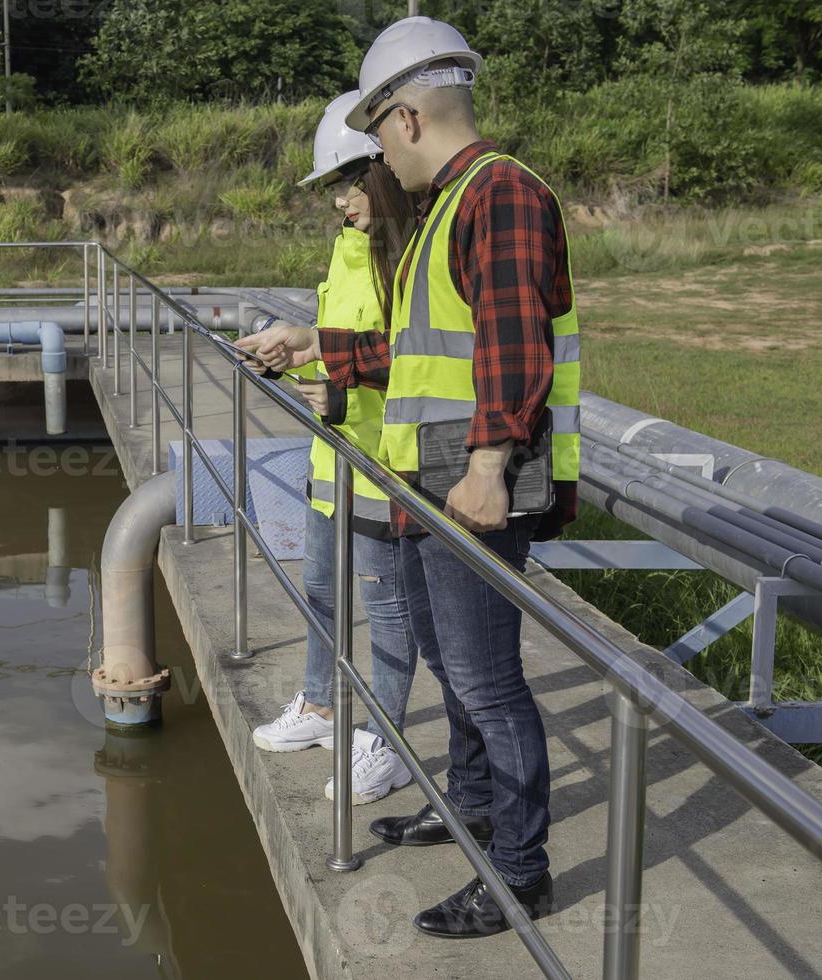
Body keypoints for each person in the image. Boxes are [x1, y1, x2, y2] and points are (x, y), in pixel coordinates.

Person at [237, 16, 582, 940]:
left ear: (409, 117)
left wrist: (485, 468)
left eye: (377, 130)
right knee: (448, 660)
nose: (376, 156)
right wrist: (323, 346)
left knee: (487, 679)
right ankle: (470, 808)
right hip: (423, 481)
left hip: (465, 484)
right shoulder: (451, 207)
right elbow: (425, 348)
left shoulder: (497, 195)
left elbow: (514, 343)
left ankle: (517, 874)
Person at [246, 91, 425, 806]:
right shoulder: (349, 250)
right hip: (333, 452)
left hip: (386, 457)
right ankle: (319, 706)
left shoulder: (411, 256)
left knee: (385, 607)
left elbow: (417, 356)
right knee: (319, 587)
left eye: (347, 187)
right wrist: (289, 358)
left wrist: (343, 387)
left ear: (382, 171)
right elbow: (342, 345)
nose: (339, 204)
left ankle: (385, 742)